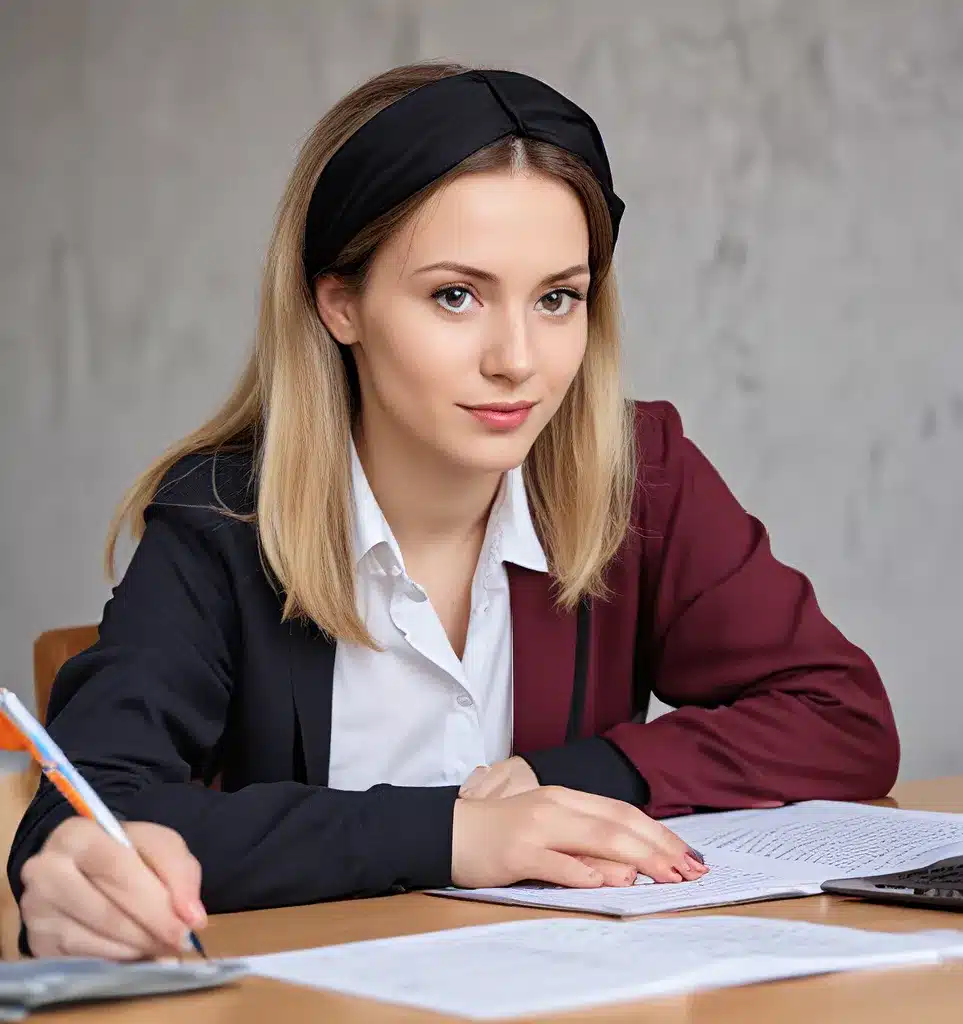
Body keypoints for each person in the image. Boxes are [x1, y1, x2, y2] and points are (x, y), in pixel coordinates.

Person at [8, 62, 899, 960]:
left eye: (558, 298)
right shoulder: (223, 517)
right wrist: (459, 835)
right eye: (456, 296)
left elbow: (843, 717)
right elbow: (87, 815)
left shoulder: (637, 472)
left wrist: (583, 782)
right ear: (340, 302)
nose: (517, 359)